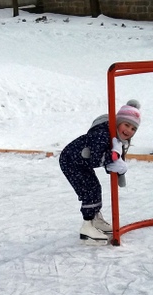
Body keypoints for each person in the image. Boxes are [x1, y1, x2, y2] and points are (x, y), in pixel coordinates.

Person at [59, 99, 140, 242]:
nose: (129, 131)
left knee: (95, 188)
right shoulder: (102, 134)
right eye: (126, 125)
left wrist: (116, 165)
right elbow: (96, 159)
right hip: (71, 161)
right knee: (89, 190)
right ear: (118, 122)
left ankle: (95, 220)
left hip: (81, 162)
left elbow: (109, 161)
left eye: (133, 129)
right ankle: (87, 226)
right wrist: (113, 156)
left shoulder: (115, 137)